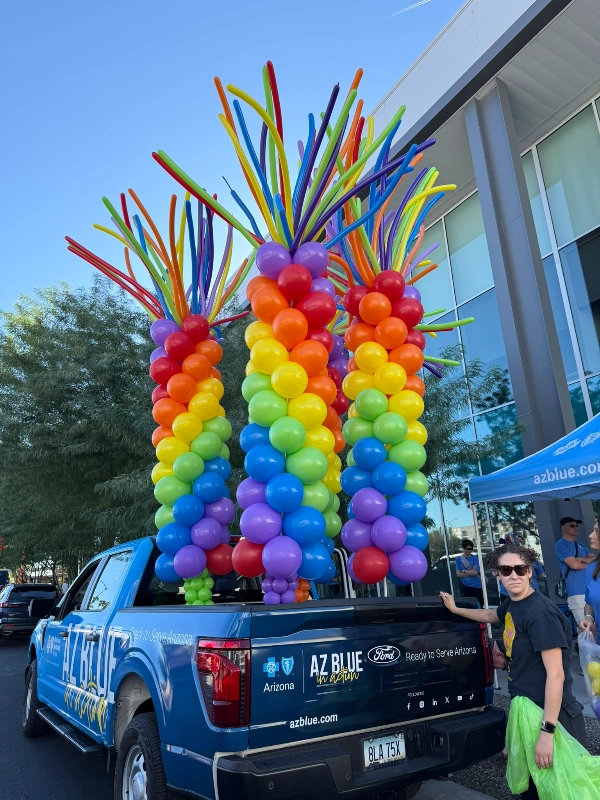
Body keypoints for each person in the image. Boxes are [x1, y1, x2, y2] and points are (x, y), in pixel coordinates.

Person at [441, 542, 586, 799]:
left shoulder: (540, 614)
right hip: (526, 710)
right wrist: (455, 609)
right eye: (506, 570)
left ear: (529, 571)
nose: (514, 575)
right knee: (533, 791)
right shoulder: (513, 604)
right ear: (498, 574)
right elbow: (490, 616)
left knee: (566, 792)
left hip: (553, 715)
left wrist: (547, 733)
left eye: (520, 569)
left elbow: (556, 675)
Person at [554, 516, 595, 625]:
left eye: (576, 525)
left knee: (595, 627)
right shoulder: (560, 545)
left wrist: (581, 559)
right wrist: (586, 560)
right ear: (563, 528)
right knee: (584, 628)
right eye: (572, 525)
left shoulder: (581, 545)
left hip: (591, 590)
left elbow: (595, 561)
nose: (576, 527)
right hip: (577, 592)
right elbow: (574, 565)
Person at [580, 520, 600, 644]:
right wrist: (588, 618)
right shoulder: (591, 569)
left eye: (596, 531)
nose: (590, 535)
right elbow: (589, 602)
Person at [455, 538, 484, 606]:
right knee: (468, 605)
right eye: (468, 549)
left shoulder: (475, 558)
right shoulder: (458, 559)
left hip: (477, 585)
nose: (470, 550)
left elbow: (475, 572)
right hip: (465, 585)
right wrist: (470, 573)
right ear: (464, 548)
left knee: (479, 604)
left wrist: (463, 571)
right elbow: (458, 574)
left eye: (471, 549)